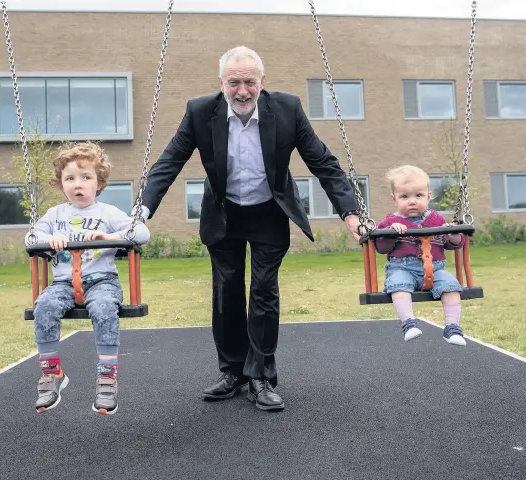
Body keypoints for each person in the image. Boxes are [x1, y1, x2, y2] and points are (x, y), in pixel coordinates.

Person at [140, 46, 361, 411]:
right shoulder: (200, 112)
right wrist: (142, 211)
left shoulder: (287, 109)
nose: (242, 91)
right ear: (221, 83)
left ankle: (260, 375)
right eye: (234, 82)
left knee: (263, 290)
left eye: (249, 82)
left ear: (263, 81)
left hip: (268, 213)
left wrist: (350, 212)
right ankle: (232, 372)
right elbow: (168, 163)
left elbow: (325, 163)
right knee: (226, 291)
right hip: (224, 214)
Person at [25, 142, 150, 415]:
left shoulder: (108, 213)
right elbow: (31, 238)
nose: (77, 184)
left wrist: (111, 238)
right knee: (43, 307)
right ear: (61, 184)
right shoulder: (55, 215)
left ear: (99, 182)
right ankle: (52, 372)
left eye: (86, 177)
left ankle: (107, 377)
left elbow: (142, 234)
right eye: (69, 178)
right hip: (62, 283)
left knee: (105, 309)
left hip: (102, 281)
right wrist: (50, 239)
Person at [374, 165, 467, 346]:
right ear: (394, 199)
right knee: (398, 286)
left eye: (418, 195)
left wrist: (453, 234)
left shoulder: (437, 220)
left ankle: (452, 328)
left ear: (428, 196)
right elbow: (381, 247)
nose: (412, 201)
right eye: (404, 196)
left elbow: (451, 244)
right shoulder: (390, 222)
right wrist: (390, 233)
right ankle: (409, 324)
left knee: (451, 287)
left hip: (435, 268)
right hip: (402, 268)